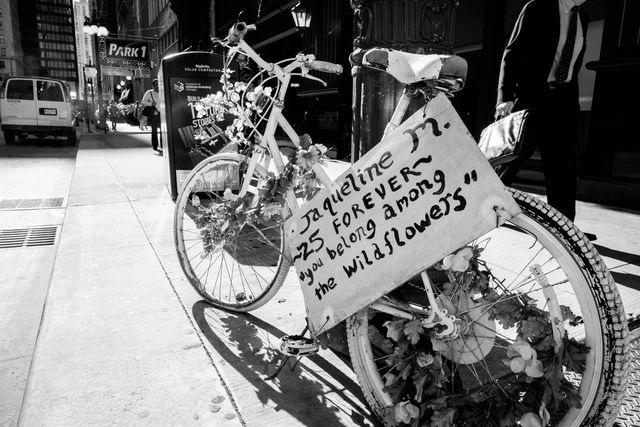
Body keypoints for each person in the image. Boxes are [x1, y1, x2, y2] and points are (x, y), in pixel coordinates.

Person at [495, 0, 595, 240]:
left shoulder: (583, 17)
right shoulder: (539, 7)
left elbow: (572, 63)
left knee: (563, 169)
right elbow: (513, 52)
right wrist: (505, 96)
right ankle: (479, 211)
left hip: (563, 102)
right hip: (533, 98)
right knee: (509, 160)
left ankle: (565, 231)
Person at [141, 79, 161, 152]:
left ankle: (163, 145)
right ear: (153, 85)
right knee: (154, 130)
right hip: (154, 113)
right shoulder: (149, 93)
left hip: (163, 113)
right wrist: (150, 104)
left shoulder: (163, 91)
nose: (157, 85)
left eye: (158, 84)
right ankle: (155, 146)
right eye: (156, 84)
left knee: (164, 130)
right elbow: (143, 102)